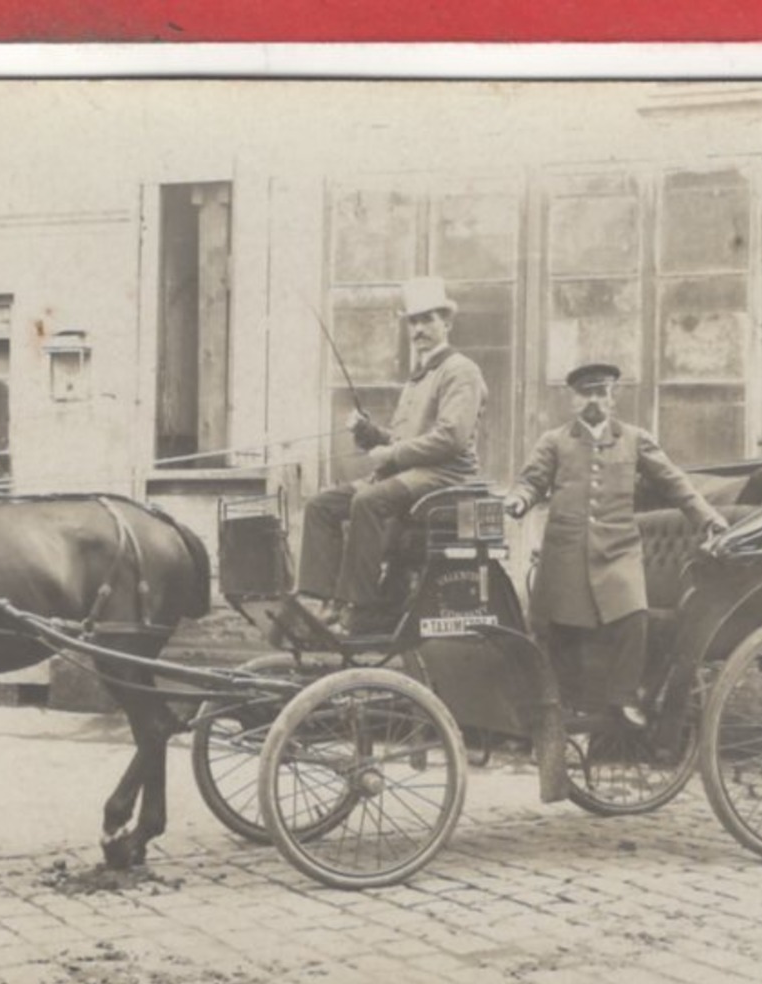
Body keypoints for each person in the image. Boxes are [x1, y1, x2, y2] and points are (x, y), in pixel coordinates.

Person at [504, 363, 728, 728]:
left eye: (600, 392)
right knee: (560, 629)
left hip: (618, 550)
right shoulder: (554, 441)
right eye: (585, 393)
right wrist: (519, 500)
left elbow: (675, 483)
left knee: (633, 617)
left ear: (613, 397)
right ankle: (569, 705)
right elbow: (532, 481)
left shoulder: (635, 439)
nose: (593, 400)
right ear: (572, 399)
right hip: (567, 551)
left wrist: (708, 517)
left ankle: (622, 699)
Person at [293, 276, 488, 638]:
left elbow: (451, 438)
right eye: (413, 321)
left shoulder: (461, 371)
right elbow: (403, 441)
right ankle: (321, 601)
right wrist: (371, 435)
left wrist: (391, 451)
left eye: (428, 319)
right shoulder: (418, 378)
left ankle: (361, 608)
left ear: (446, 322)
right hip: (411, 473)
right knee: (321, 505)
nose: (419, 329)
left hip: (445, 476)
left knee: (367, 501)